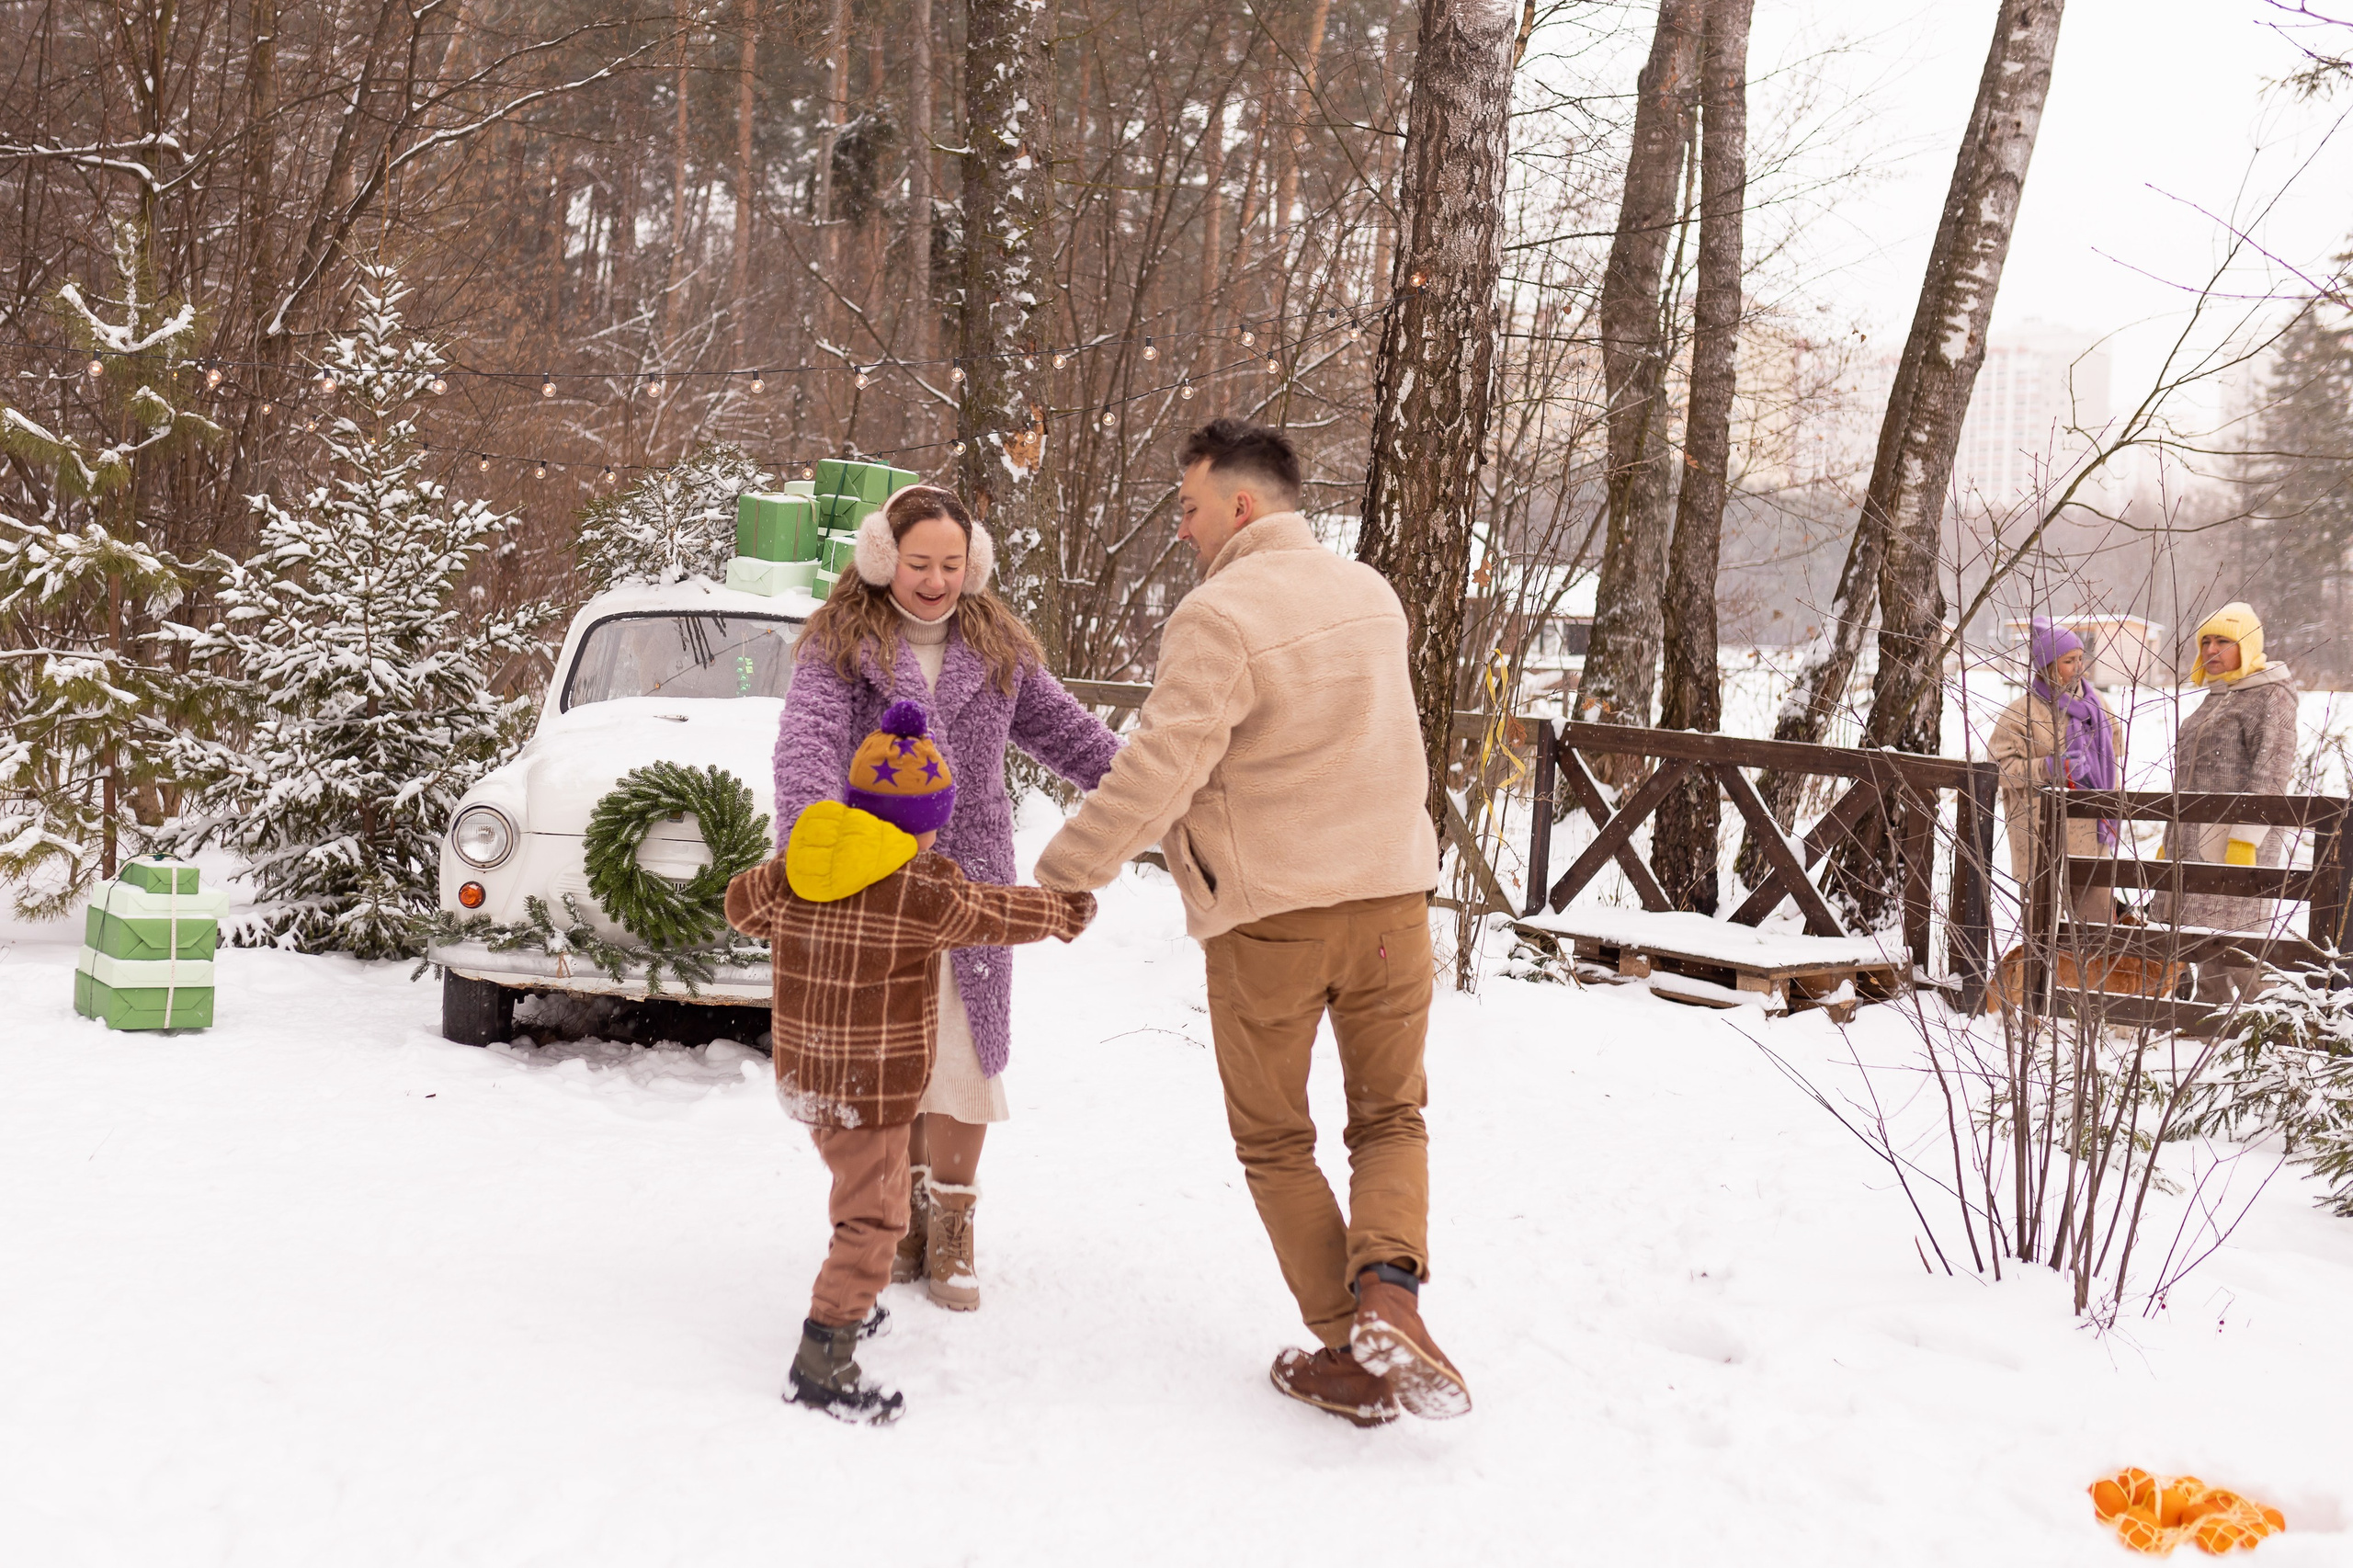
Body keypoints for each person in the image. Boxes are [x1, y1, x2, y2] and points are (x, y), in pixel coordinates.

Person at [1032, 418, 1468, 1428]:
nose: (1180, 529)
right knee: (1391, 1117)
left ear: (1240, 503)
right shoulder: (1372, 594)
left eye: (1188, 507)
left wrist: (1064, 874)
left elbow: (1159, 768)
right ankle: (1391, 1291)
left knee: (1276, 1140)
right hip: (1394, 905)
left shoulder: (1218, 614)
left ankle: (1349, 1347)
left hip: (1273, 919)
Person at [772, 484, 1120, 1311]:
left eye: (951, 564)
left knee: (964, 1050)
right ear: (882, 559)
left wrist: (1154, 791)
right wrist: (818, 845)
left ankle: (953, 1225)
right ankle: (898, 1216)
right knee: (894, 1052)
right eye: (918, 563)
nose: (934, 580)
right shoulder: (839, 643)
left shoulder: (998, 649)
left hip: (972, 876)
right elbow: (807, 744)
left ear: (976, 567)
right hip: (872, 883)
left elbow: (1073, 737)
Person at [726, 701, 1096, 1424]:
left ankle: (849, 1304)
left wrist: (787, 889)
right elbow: (996, 913)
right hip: (876, 1084)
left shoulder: (802, 863)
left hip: (810, 1078)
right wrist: (1059, 913)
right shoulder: (921, 888)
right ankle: (824, 1355)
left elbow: (742, 904)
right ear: (924, 822)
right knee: (879, 1219)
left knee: (857, 1192)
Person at [2154, 602, 2302, 989]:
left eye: (2223, 641)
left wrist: (2244, 838)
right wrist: (2169, 838)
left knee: (2239, 946)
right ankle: (2210, 1025)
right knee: (2203, 942)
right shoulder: (2217, 696)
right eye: (2206, 641)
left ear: (2248, 646)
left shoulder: (2270, 695)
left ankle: (2267, 1028)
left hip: (2238, 841)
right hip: (2191, 837)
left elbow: (2272, 775)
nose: (2211, 650)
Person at [1989, 618, 2124, 926]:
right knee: (2041, 935)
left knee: (2097, 932)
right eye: (2068, 661)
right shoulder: (2021, 712)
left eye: (2080, 659)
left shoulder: (2097, 706)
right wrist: (2049, 768)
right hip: (2041, 837)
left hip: (2093, 834)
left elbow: (2117, 754)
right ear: (2048, 666)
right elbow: (1998, 771)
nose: (2079, 667)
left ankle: (2090, 977)